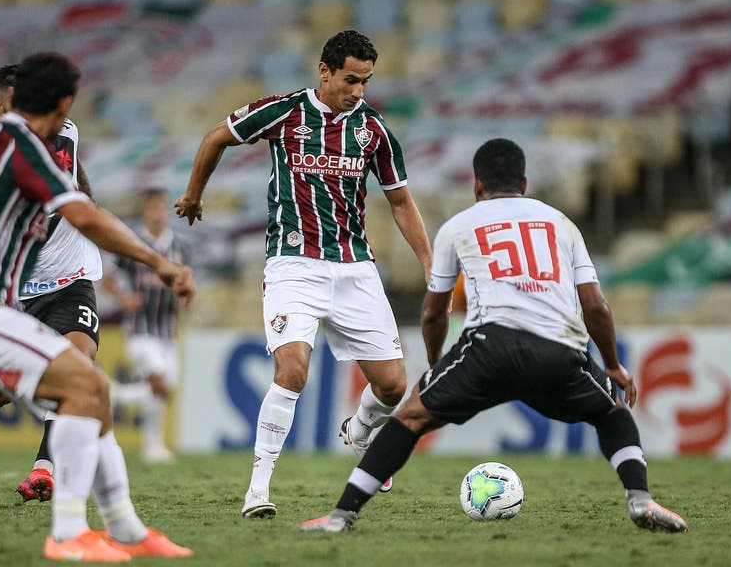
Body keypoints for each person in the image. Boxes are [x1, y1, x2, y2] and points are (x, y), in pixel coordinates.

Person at [0, 52, 195, 561]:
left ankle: (126, 532)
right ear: (64, 102)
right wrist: (158, 262)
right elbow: (85, 218)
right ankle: (70, 535)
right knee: (81, 386)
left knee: (89, 387)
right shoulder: (28, 148)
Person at [301, 138, 688, 533]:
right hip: (559, 351)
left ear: (476, 184)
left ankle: (341, 515)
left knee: (410, 417)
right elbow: (595, 306)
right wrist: (612, 365)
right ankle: (640, 499)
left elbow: (435, 311)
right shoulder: (560, 223)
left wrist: (436, 365)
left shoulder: (459, 226)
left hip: (490, 348)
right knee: (611, 413)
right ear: (524, 181)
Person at [174, 30, 433, 518]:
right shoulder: (285, 112)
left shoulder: (373, 130)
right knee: (292, 370)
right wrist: (194, 194)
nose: (358, 91)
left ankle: (358, 430)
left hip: (355, 267)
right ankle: (258, 490)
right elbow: (216, 138)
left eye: (366, 82)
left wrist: (427, 260)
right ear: (325, 71)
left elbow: (400, 200)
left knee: (394, 387)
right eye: (351, 80)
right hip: (293, 264)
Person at [0, 63, 105, 504]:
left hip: (71, 278)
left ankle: (44, 470)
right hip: (17, 289)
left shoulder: (62, 131)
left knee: (81, 366)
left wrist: (85, 201)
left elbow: (71, 177)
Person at [102, 188, 186, 463]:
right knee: (158, 382)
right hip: (140, 329)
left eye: (162, 208)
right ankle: (153, 445)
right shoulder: (134, 244)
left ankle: (120, 396)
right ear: (145, 212)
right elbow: (108, 276)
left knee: (166, 389)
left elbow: (184, 279)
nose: (158, 213)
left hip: (166, 330)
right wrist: (125, 298)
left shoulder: (177, 246)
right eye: (152, 208)